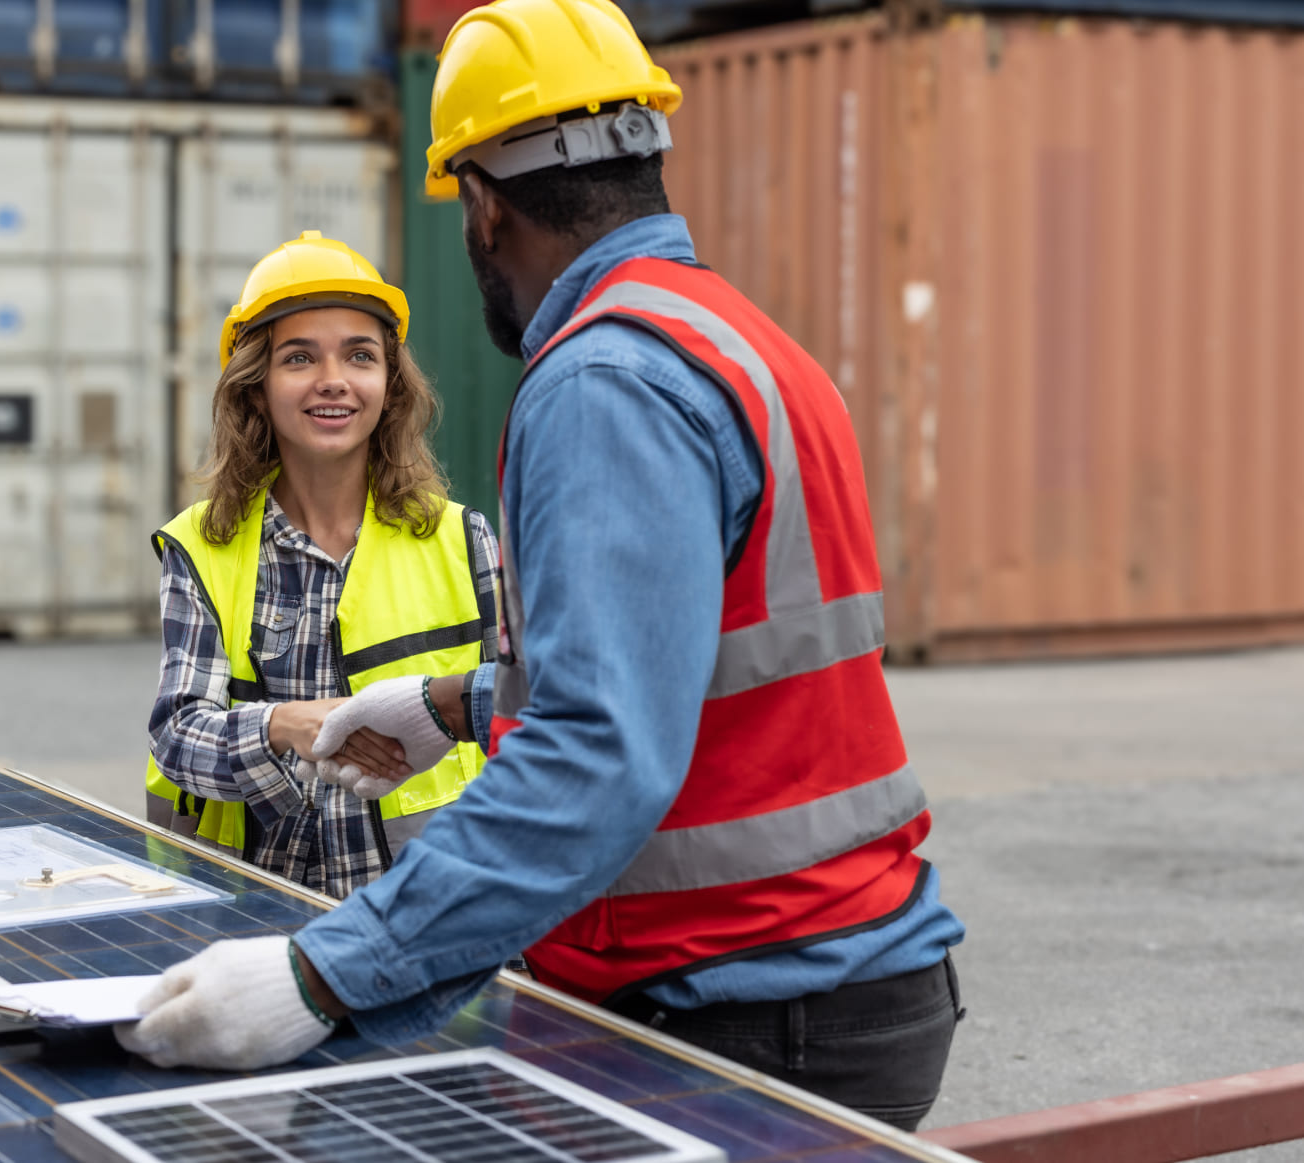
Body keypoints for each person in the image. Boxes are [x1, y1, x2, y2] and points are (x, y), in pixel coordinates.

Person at [117, 0, 966, 1131]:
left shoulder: (599, 380)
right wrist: (452, 704)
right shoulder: (741, 338)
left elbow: (597, 752)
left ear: (481, 202)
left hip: (737, 1005)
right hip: (843, 977)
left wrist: (320, 973)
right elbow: (677, 655)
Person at [144, 230, 497, 899]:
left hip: (434, 913)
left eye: (360, 356)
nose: (333, 379)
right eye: (300, 357)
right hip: (249, 912)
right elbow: (177, 733)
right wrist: (286, 725)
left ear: (390, 385)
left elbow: (516, 716)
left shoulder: (464, 540)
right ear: (257, 387)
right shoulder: (202, 546)